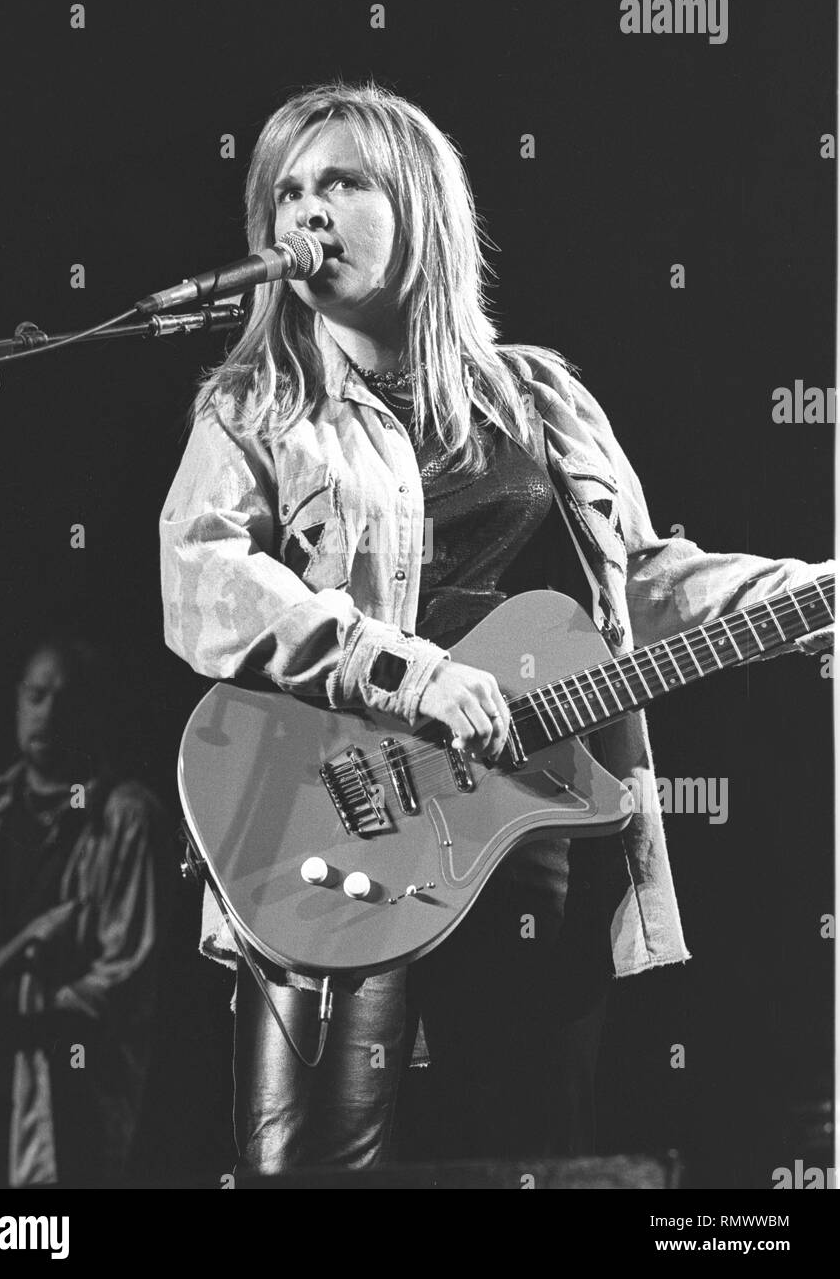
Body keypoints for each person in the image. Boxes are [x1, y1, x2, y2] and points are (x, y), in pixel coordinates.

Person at [159, 80, 833, 1173]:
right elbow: (204, 574)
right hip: (334, 822)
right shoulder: (257, 406)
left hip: (534, 827)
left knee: (526, 1149)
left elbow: (644, 584)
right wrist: (407, 675)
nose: (305, 214)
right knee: (314, 1164)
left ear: (419, 205)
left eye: (341, 182)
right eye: (287, 191)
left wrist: (809, 593)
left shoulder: (536, 399)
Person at [0, 636, 163, 1186]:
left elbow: (125, 977)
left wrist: (19, 1019)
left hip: (68, 1096)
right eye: (36, 694)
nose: (47, 712)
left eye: (66, 699)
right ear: (17, 700)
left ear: (92, 711)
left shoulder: (126, 817)